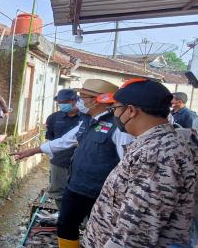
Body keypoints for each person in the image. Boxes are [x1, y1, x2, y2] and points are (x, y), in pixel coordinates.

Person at [13, 79, 133, 248]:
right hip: (75, 186)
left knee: (99, 231)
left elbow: (128, 165)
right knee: (65, 226)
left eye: (83, 96)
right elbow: (64, 141)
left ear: (100, 99)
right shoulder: (88, 121)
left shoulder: (119, 128)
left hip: (100, 193)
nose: (79, 101)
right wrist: (33, 150)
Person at [84, 79, 198, 248]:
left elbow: (135, 234)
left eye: (115, 109)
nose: (114, 115)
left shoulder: (157, 155)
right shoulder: (155, 145)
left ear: (130, 111)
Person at [45, 89, 81, 209]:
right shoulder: (53, 118)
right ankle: (62, 215)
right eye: (59, 102)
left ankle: (80, 222)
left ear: (74, 101)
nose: (61, 104)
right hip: (58, 162)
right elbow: (51, 140)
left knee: (79, 193)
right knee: (57, 192)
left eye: (64, 102)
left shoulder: (85, 118)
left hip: (79, 163)